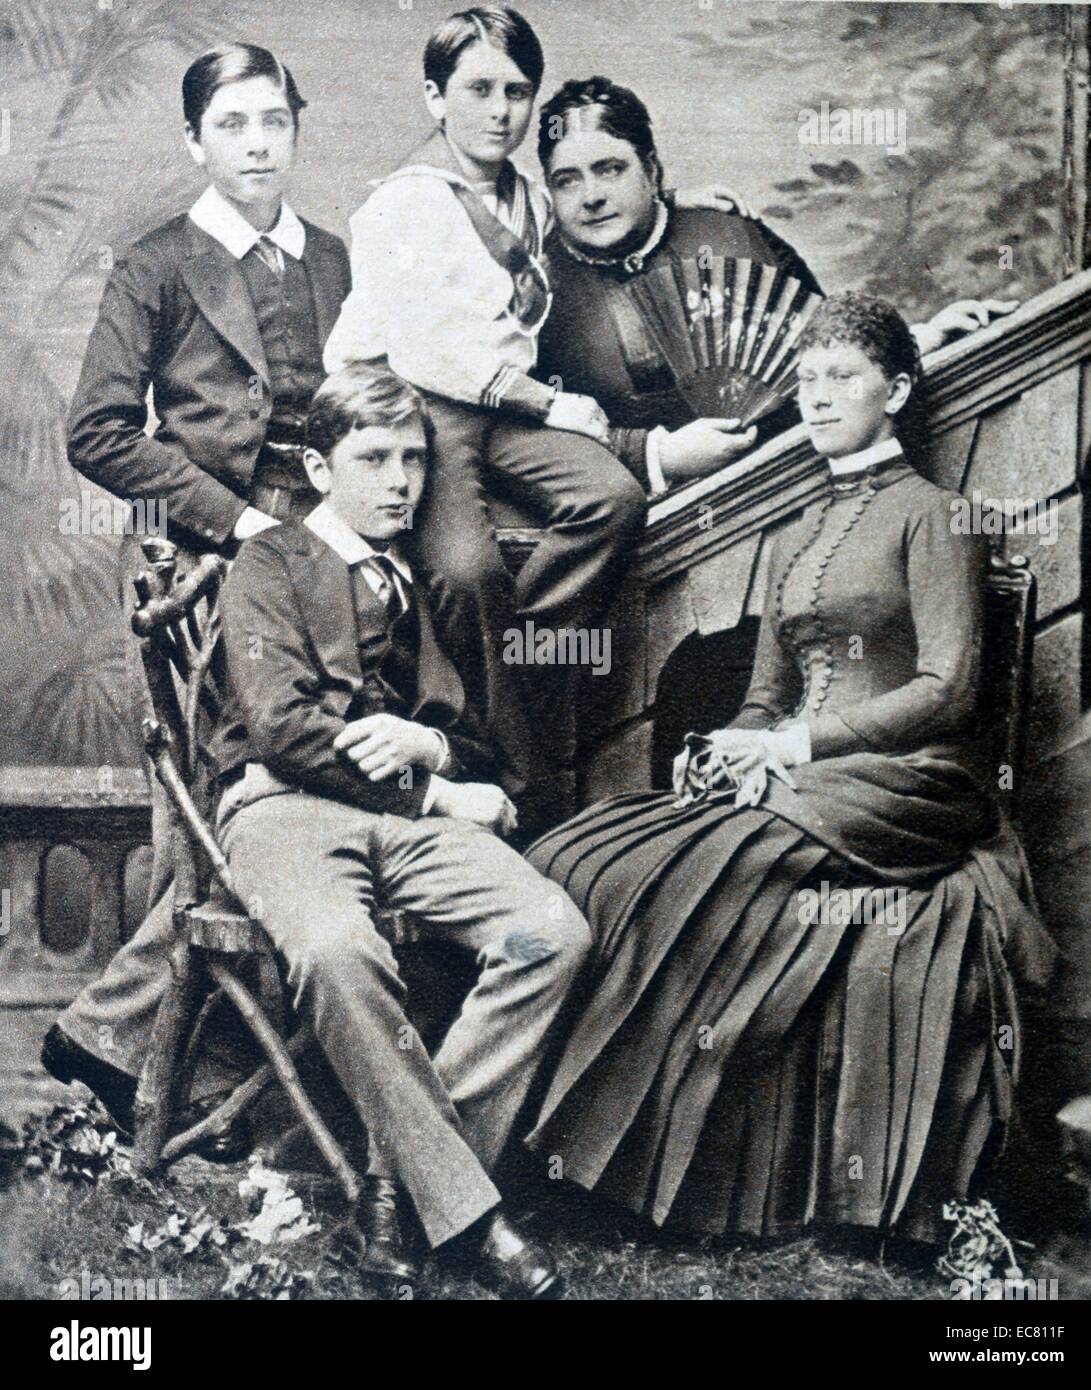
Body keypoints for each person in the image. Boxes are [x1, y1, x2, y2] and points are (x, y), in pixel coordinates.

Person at [522, 293, 1056, 1241]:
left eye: (841, 378)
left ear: (893, 391)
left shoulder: (933, 516)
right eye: (805, 380)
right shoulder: (802, 532)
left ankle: (635, 1177)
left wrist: (796, 746)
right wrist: (730, 746)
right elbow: (766, 697)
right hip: (798, 775)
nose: (816, 398)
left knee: (676, 876)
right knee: (588, 855)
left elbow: (951, 688)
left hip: (908, 783)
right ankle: (572, 1159)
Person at [208, 362, 590, 1296]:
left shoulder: (428, 580)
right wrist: (431, 795)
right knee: (339, 950)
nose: (400, 482)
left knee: (553, 933)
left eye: (414, 459)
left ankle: (400, 1188)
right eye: (372, 458)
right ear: (317, 465)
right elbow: (284, 730)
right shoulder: (268, 564)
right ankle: (474, 1217)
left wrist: (430, 746)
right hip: (284, 810)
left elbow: (479, 743)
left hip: (409, 819)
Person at [42, 43, 350, 1155]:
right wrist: (235, 518)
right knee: (237, 787)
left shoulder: (336, 260)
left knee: (296, 777)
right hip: (200, 565)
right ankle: (164, 1047)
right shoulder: (158, 264)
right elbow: (98, 430)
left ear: (296, 130)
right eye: (232, 125)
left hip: (323, 558)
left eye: (275, 120)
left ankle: (120, 1040)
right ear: (194, 143)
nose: (258, 143)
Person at [324, 9, 733, 789]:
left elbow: (592, 225)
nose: (500, 111)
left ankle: (512, 680)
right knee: (468, 569)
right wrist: (547, 405)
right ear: (435, 98)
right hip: (416, 405)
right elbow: (425, 348)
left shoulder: (530, 198)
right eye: (477, 89)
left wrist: (683, 206)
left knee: (612, 498)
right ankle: (519, 764)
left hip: (502, 411)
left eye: (517, 91)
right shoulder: (400, 205)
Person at [536, 77, 1018, 496]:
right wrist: (656, 456)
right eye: (567, 180)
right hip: (637, 525)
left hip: (784, 483)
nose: (592, 196)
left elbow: (826, 340)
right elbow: (524, 443)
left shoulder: (731, 235)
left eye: (610, 169)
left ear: (653, 170)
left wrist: (916, 342)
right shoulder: (531, 288)